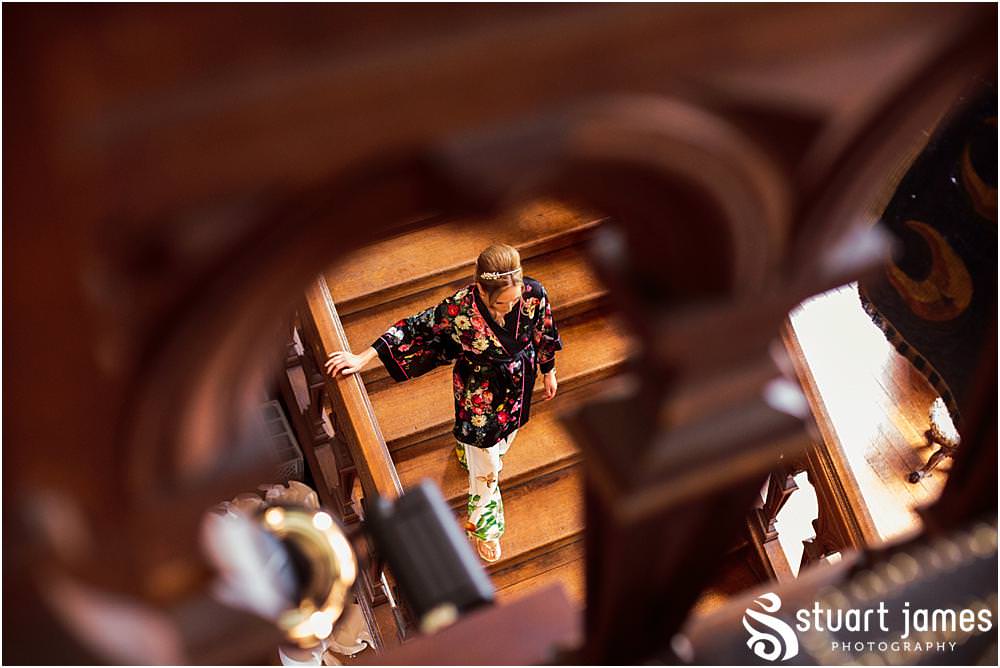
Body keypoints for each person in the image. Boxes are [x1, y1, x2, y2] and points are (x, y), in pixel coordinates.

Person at [325, 243, 562, 563]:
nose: (509, 308)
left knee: (499, 447)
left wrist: (549, 370)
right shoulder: (460, 309)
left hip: (519, 383)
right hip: (479, 392)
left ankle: (470, 454)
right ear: (481, 288)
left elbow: (544, 331)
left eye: (514, 299)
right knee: (489, 467)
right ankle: (486, 527)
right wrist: (362, 357)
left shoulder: (534, 293)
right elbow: (414, 328)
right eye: (501, 303)